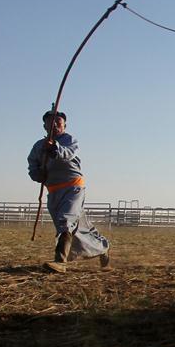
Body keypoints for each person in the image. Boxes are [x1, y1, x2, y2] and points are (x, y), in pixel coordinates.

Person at [28, 110, 111, 273]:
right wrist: (38, 174)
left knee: (65, 221)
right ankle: (103, 247)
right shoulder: (38, 146)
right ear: (44, 125)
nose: (55, 124)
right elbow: (32, 166)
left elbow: (67, 153)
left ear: (64, 125)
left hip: (73, 188)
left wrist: (55, 149)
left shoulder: (69, 140)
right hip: (53, 192)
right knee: (75, 229)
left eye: (58, 122)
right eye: (51, 122)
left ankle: (60, 261)